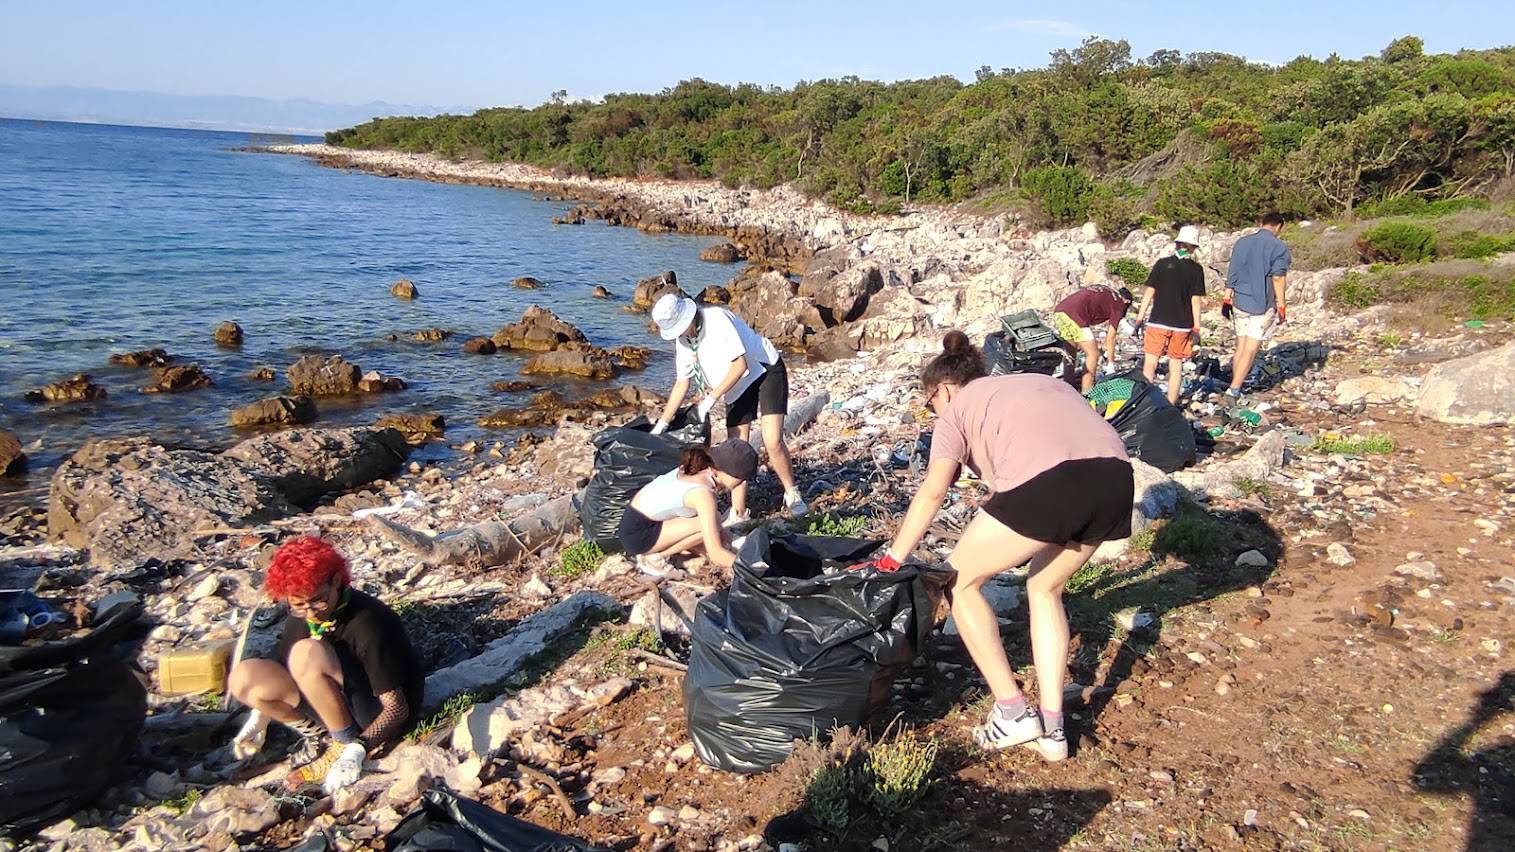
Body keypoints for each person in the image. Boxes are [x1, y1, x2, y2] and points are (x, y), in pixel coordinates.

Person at [856, 331, 1133, 762]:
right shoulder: (1036, 381)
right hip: (1115, 480)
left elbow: (933, 492)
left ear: (943, 389)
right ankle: (1054, 730)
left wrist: (893, 558)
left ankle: (1012, 712)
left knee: (959, 582)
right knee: (1044, 588)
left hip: (1050, 484)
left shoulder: (955, 413)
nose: (932, 415)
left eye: (930, 405)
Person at [227, 537, 424, 794]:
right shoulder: (303, 617)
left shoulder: (368, 621)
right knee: (246, 677)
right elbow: (283, 671)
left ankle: (342, 743)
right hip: (333, 700)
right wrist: (261, 714)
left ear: (336, 581)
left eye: (318, 600)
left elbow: (397, 708)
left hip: (373, 710)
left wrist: (358, 748)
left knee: (307, 653)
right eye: (298, 605)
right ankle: (322, 739)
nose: (311, 612)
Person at [649, 293, 807, 525]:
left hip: (764, 371)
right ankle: (739, 512)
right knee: (736, 450)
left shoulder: (717, 320)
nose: (680, 334)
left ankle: (791, 492)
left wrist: (710, 400)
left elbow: (740, 364)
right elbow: (682, 382)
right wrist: (662, 423)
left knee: (772, 440)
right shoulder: (683, 341)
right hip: (734, 387)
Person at [619, 438, 759, 576]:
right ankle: (656, 557)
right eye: (741, 478)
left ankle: (670, 550)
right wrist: (751, 570)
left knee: (712, 521)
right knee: (713, 521)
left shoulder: (696, 468)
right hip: (638, 535)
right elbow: (716, 553)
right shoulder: (702, 495)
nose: (742, 483)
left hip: (635, 519)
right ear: (727, 472)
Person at [1134, 225, 1207, 405]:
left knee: (1150, 362)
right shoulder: (1196, 269)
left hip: (1158, 320)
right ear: (1193, 247)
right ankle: (1171, 403)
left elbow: (1149, 292)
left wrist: (1140, 317)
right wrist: (1197, 326)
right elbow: (1195, 300)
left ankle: (1146, 402)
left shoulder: (1162, 264)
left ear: (1178, 244)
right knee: (1176, 364)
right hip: (1182, 324)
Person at [1223, 212, 1291, 401]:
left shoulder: (1241, 243)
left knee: (1241, 346)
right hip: (1261, 304)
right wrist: (1282, 305)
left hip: (1240, 300)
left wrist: (1227, 296)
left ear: (1262, 223)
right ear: (1278, 226)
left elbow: (1233, 271)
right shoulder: (1279, 247)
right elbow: (1278, 277)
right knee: (1251, 349)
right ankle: (1234, 390)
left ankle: (1235, 384)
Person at [1049, 283, 1135, 392]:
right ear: (1126, 301)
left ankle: (1068, 386)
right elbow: (1111, 337)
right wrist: (1110, 364)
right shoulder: (1119, 304)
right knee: (1093, 354)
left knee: (1071, 351)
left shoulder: (1106, 291)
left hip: (1060, 311)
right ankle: (1087, 393)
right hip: (1075, 316)